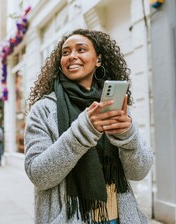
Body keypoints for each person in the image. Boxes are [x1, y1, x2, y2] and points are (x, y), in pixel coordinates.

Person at [24, 29, 153, 224]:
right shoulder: (43, 110)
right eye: (65, 53)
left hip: (119, 218)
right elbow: (39, 175)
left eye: (81, 49)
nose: (72, 56)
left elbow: (139, 172)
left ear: (98, 60)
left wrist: (127, 136)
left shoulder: (113, 104)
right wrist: (84, 130)